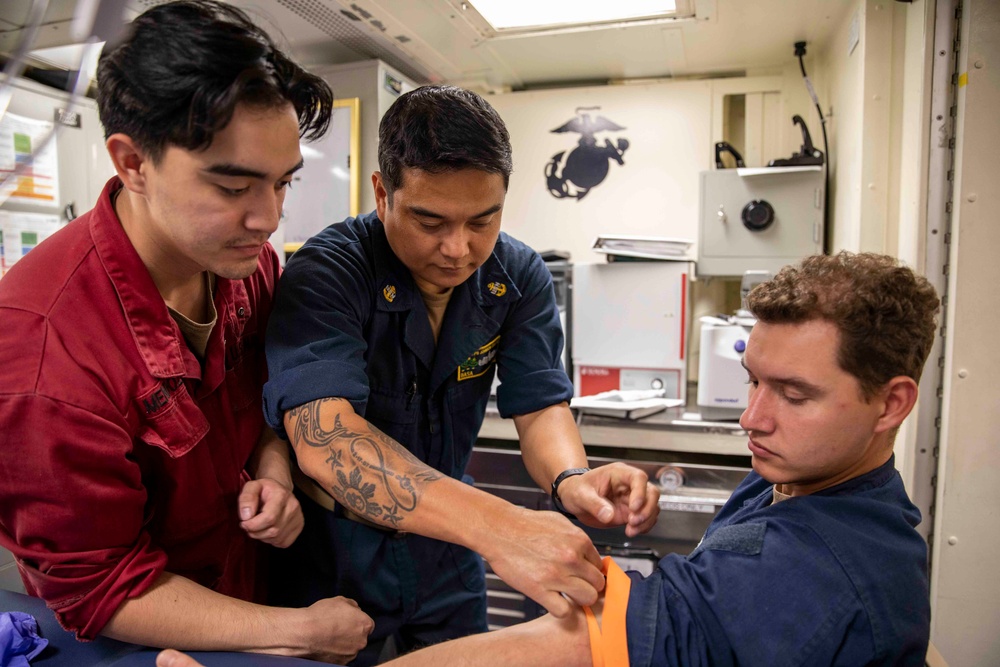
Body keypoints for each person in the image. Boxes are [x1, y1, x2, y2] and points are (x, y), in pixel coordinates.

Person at [265, 250, 930, 666]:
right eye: (753, 380)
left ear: (891, 402)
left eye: (794, 393)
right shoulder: (797, 479)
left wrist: (550, 492)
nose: (751, 418)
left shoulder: (823, 567)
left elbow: (581, 643)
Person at [0, 2, 373, 663]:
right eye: (234, 185)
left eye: (282, 184)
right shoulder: (41, 351)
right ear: (132, 162)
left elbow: (266, 403)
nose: (268, 217)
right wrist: (300, 632)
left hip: (245, 590)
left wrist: (275, 469)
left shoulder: (248, 267)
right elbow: (102, 587)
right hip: (137, 640)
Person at [262, 84, 661, 664]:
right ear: (382, 192)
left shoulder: (517, 274)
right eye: (430, 221)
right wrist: (501, 529)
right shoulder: (329, 271)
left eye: (483, 219)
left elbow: (539, 406)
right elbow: (329, 441)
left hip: (447, 549)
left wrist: (571, 478)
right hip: (334, 548)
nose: (458, 248)